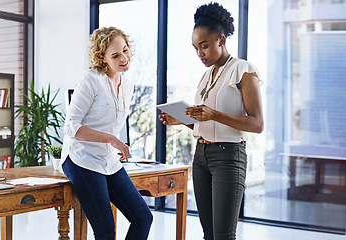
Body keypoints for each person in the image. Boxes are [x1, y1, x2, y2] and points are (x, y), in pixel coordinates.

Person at [159, 2, 263, 240]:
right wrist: (181, 121)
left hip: (229, 157)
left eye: (204, 46)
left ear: (222, 40)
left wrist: (214, 114)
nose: (200, 54)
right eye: (196, 48)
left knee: (223, 235)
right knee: (208, 234)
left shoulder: (243, 70)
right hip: (201, 156)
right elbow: (205, 123)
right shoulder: (206, 76)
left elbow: (257, 124)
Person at [59, 26, 153, 240]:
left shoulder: (126, 86)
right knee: (105, 231)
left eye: (126, 50)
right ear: (102, 57)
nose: (124, 58)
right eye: (115, 55)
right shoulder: (90, 81)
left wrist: (114, 144)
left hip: (108, 160)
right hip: (81, 158)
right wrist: (112, 140)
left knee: (143, 218)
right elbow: (71, 128)